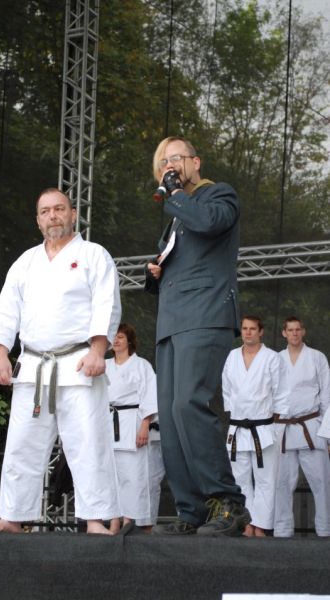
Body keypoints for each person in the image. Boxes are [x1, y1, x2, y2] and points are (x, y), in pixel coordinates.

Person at [0, 188, 122, 535]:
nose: (53, 215)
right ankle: (13, 516)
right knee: (21, 445)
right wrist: (0, 354)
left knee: (88, 443)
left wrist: (97, 350)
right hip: (33, 366)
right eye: (45, 211)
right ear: (38, 220)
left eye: (59, 209)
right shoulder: (25, 262)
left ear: (73, 214)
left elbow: (106, 304)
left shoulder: (93, 255)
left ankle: (95, 519)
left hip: (78, 363)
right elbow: (6, 311)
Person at [145, 136, 250, 536]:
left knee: (190, 403)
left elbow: (210, 223)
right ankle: (192, 510)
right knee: (172, 416)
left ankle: (228, 502)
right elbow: (174, 261)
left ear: (196, 161)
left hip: (205, 313)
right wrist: (155, 272)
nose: (169, 167)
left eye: (175, 159)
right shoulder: (177, 217)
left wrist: (174, 193)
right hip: (171, 321)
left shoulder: (217, 195)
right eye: (163, 163)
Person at [222, 316, 289, 537]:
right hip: (238, 427)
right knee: (240, 479)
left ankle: (262, 526)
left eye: (252, 329)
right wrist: (234, 413)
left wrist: (273, 420)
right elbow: (227, 390)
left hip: (263, 428)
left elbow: (281, 391)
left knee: (265, 480)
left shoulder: (271, 358)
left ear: (261, 332)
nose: (248, 332)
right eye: (244, 328)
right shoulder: (232, 356)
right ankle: (247, 524)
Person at [274, 316, 330, 538]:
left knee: (321, 482)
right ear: (284, 333)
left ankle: (325, 530)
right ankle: (282, 530)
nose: (294, 333)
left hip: (311, 427)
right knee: (281, 484)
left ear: (303, 332)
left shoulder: (317, 357)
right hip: (283, 429)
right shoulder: (276, 359)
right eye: (290, 330)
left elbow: (327, 395)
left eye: (298, 329)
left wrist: (327, 432)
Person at [106, 323, 165, 534]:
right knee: (112, 477)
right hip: (109, 423)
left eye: (121, 337)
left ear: (129, 341)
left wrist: (145, 425)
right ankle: (114, 520)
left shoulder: (141, 365)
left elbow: (150, 396)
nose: (116, 340)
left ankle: (129, 521)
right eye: (114, 337)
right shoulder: (105, 365)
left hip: (133, 421)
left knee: (134, 476)